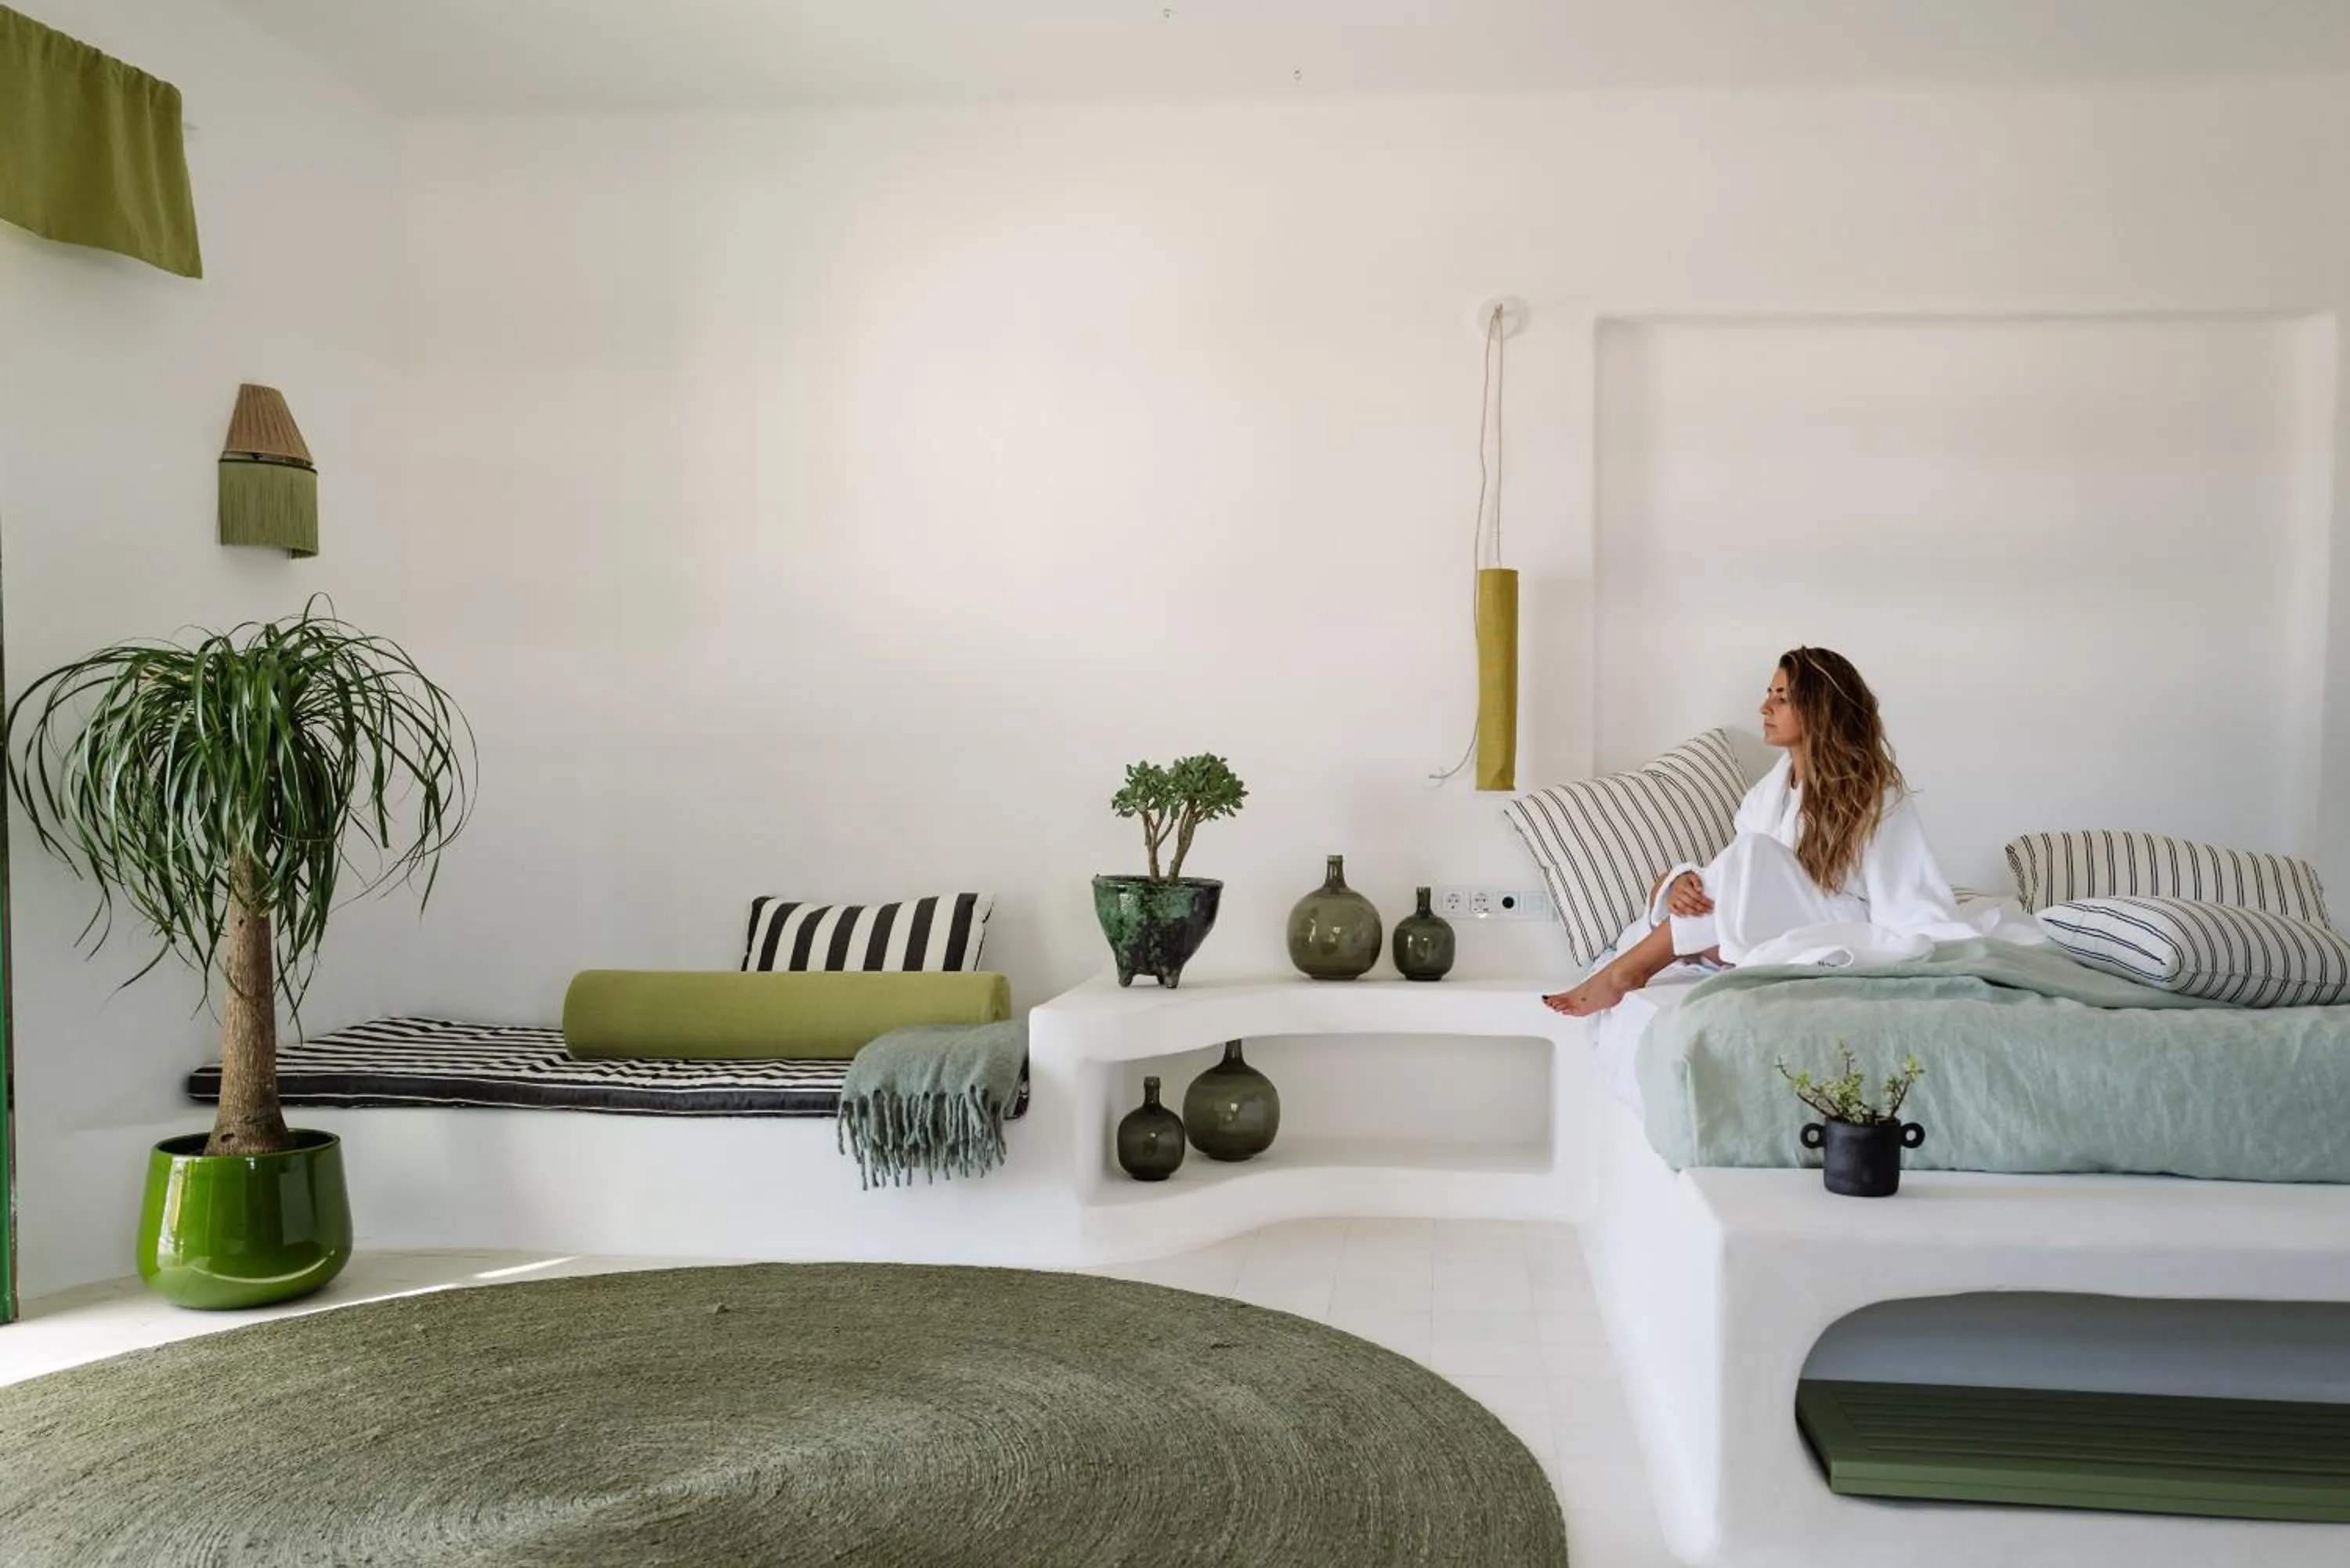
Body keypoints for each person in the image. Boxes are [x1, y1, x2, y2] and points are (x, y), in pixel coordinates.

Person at [1543, 647, 2025, 1017]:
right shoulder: (1769, 792)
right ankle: (1668, 947)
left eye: (1781, 697)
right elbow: (1734, 881)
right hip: (1777, 924)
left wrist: (1926, 948)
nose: (1765, 707)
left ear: (1817, 710)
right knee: (1712, 875)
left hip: (1839, 923)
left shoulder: (1875, 794)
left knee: (1752, 854)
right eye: (1769, 695)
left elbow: (1905, 896)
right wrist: (1680, 885)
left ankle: (1626, 972)